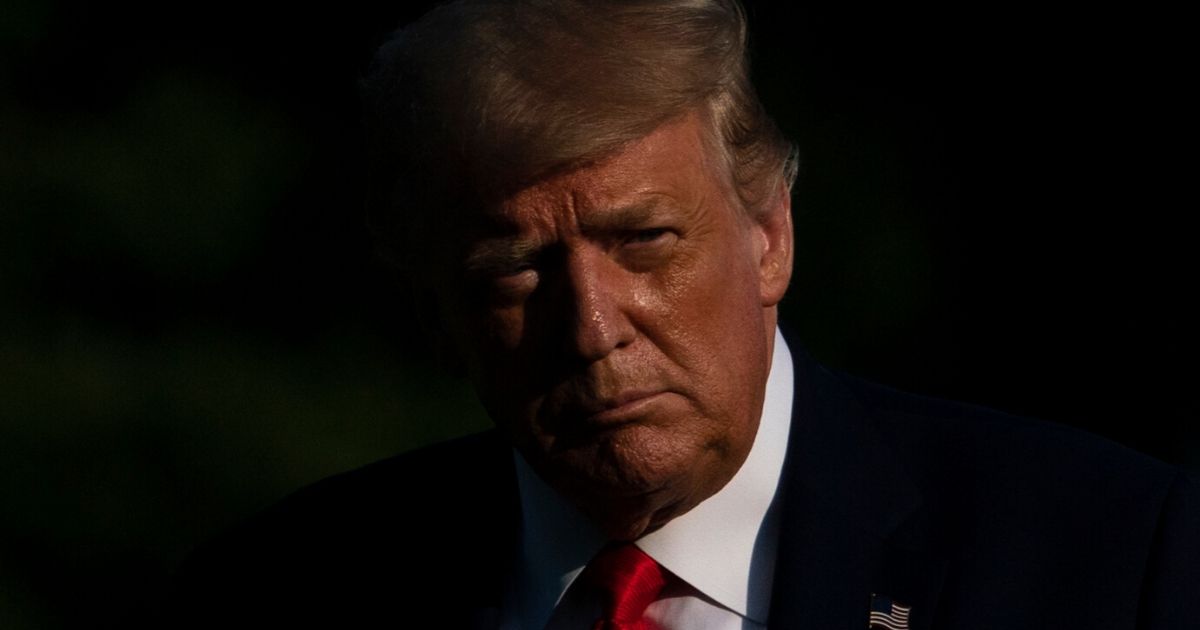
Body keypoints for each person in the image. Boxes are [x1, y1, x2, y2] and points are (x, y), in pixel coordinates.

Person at [164, 1, 1197, 628]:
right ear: (441, 314)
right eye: (516, 271)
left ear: (769, 234)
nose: (593, 327)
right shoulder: (274, 595)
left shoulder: (1105, 558)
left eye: (643, 241)